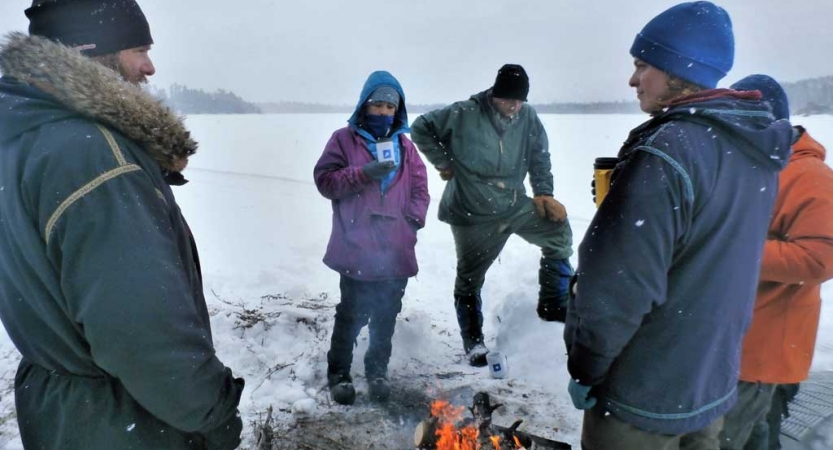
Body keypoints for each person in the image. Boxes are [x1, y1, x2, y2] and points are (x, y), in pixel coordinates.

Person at [0, 1, 244, 449]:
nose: (150, 67)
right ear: (87, 51)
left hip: (64, 411)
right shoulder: (94, 158)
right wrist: (214, 414)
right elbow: (144, 337)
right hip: (124, 419)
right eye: (138, 49)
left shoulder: (24, 135)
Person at [563, 2, 793, 449]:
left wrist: (586, 366)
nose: (632, 80)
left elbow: (618, 288)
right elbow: (707, 257)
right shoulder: (752, 151)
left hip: (645, 397)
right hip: (709, 387)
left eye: (642, 65)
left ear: (675, 68)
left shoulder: (668, 152)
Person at [410, 64, 573, 367]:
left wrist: (544, 193)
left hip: (513, 204)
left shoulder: (528, 118)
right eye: (508, 99)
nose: (513, 106)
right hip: (472, 211)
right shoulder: (464, 113)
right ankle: (473, 342)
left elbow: (540, 157)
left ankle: (556, 305)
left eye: (519, 100)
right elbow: (420, 127)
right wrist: (443, 161)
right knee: (470, 279)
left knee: (559, 233)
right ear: (494, 95)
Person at [718, 75, 833, 450]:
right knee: (750, 436)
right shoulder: (756, 168)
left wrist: (729, 247)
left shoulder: (809, 175)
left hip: (764, 349)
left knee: (738, 437)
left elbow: (819, 257)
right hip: (732, 342)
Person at [314, 71, 430, 405]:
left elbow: (420, 190)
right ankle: (339, 374)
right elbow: (326, 181)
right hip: (357, 246)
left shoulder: (405, 148)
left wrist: (412, 222)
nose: (382, 112)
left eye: (389, 107)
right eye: (377, 104)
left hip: (395, 249)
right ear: (365, 105)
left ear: (398, 111)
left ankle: (377, 371)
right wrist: (364, 174)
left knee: (385, 315)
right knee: (351, 313)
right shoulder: (343, 140)